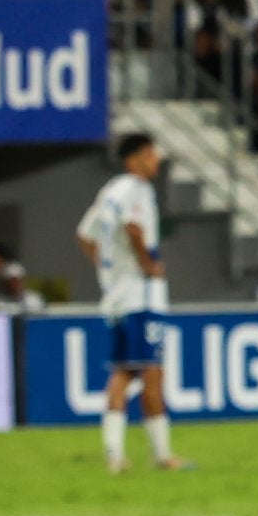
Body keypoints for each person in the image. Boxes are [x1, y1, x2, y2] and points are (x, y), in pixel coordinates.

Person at [75, 134, 190, 474]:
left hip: (117, 295)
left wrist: (108, 270)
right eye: (151, 154)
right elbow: (134, 228)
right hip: (141, 295)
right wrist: (146, 265)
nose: (155, 160)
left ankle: (115, 453)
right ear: (135, 159)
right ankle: (162, 455)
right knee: (152, 372)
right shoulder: (137, 190)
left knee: (123, 372)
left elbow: (84, 235)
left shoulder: (110, 192)